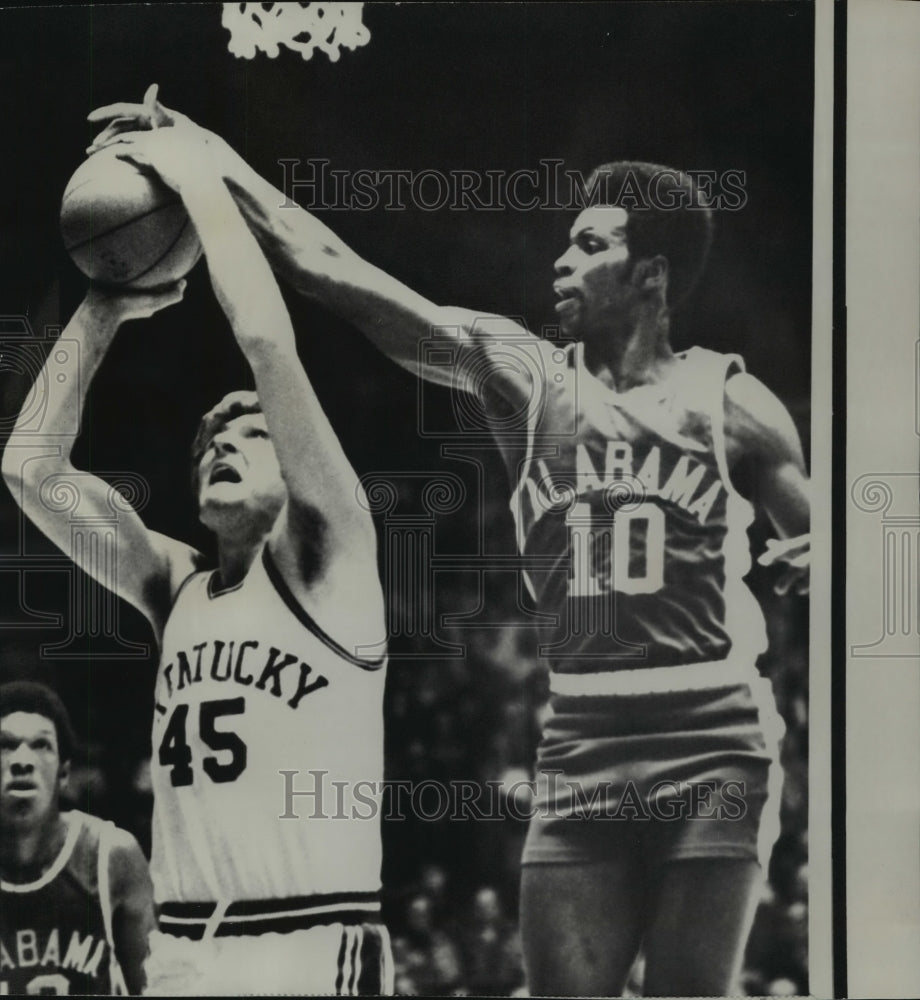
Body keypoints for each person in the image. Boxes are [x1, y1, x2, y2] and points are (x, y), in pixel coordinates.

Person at [84, 89, 810, 996]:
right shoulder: (522, 377)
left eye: (591, 245)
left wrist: (824, 559)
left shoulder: (734, 404)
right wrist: (212, 154)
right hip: (581, 733)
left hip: (712, 729)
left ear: (652, 276)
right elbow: (326, 265)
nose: (561, 261)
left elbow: (821, 546)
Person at [2, 125, 392, 994]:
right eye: (210, 439)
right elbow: (27, 469)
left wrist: (202, 175)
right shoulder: (176, 587)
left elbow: (266, 341)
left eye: (250, 433)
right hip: (183, 949)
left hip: (309, 936)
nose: (223, 442)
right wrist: (103, 306)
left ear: (295, 468)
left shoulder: (333, 556)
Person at [0, 680, 155, 995]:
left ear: (64, 773)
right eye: (5, 744)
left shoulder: (111, 856)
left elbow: (159, 988)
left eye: (41, 745)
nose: (21, 761)